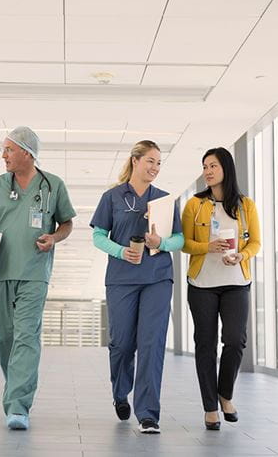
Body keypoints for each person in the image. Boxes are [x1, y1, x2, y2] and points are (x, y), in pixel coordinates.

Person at [0, 126, 76, 430]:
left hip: (33, 272)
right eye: (4, 149)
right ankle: (16, 387)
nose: (3, 155)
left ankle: (18, 405)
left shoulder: (53, 185)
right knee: (6, 337)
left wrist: (54, 238)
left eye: (9, 149)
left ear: (28, 154)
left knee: (26, 336)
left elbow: (67, 223)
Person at [89, 140, 184, 434]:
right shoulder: (113, 197)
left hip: (157, 276)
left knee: (152, 344)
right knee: (122, 343)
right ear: (135, 161)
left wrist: (161, 243)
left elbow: (179, 240)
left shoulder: (165, 201)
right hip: (121, 278)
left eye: (158, 163)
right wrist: (120, 251)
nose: (155, 168)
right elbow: (98, 236)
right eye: (150, 161)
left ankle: (148, 413)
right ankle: (120, 393)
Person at [181, 147, 260, 430]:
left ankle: (225, 394)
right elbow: (184, 244)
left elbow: (255, 243)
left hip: (236, 282)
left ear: (226, 168)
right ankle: (210, 407)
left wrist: (242, 255)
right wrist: (207, 247)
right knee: (205, 344)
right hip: (202, 284)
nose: (208, 171)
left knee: (236, 340)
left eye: (213, 165)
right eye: (205, 167)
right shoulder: (194, 205)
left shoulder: (245, 205)